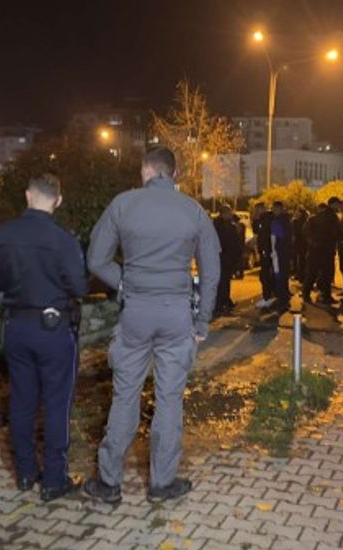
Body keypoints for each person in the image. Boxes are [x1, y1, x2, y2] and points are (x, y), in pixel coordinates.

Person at [83, 147, 219, 504]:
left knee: (125, 396)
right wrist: (202, 320)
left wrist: (125, 282)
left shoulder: (123, 204)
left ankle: (109, 483)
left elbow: (96, 259)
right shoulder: (194, 210)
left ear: (145, 171)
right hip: (176, 316)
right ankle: (162, 483)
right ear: (174, 174)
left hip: (136, 314)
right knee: (170, 399)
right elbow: (211, 272)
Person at [0, 173, 88, 502]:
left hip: (16, 327)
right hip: (53, 330)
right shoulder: (63, 240)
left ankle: (26, 473)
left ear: (28, 195)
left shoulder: (3, 235)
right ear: (58, 200)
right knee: (56, 403)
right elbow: (80, 286)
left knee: (21, 401)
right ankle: (54, 480)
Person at [302, 199, 343, 305]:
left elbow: (305, 230)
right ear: (332, 204)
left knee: (312, 273)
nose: (339, 206)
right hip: (327, 249)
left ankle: (306, 294)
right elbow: (338, 233)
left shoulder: (315, 217)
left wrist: (312, 242)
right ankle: (326, 296)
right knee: (327, 274)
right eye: (337, 204)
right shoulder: (333, 218)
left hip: (315, 250)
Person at [213, 204, 241, 315]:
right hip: (222, 257)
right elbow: (228, 241)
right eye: (229, 212)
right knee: (222, 282)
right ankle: (220, 306)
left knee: (225, 281)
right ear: (224, 213)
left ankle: (225, 302)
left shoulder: (227, 225)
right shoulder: (219, 226)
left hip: (227, 258)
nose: (231, 214)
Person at [269, 201, 293, 312]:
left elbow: (273, 238)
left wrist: (273, 251)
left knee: (279, 276)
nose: (273, 211)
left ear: (278, 209)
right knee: (284, 275)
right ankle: (285, 299)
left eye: (274, 209)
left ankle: (282, 301)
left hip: (279, 253)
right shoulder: (288, 221)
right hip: (286, 252)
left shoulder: (277, 222)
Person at [252, 203, 275, 309]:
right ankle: (268, 295)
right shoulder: (261, 219)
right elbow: (256, 231)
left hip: (268, 250)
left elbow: (265, 235)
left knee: (266, 275)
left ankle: (268, 296)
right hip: (266, 250)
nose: (256, 212)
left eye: (257, 210)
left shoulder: (268, 218)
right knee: (266, 274)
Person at [292, 208, 309, 282]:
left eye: (297, 212)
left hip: (300, 243)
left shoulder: (297, 222)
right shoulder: (306, 220)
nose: (296, 214)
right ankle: (302, 276)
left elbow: (296, 233)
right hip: (305, 243)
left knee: (301, 260)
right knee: (303, 260)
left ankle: (301, 276)